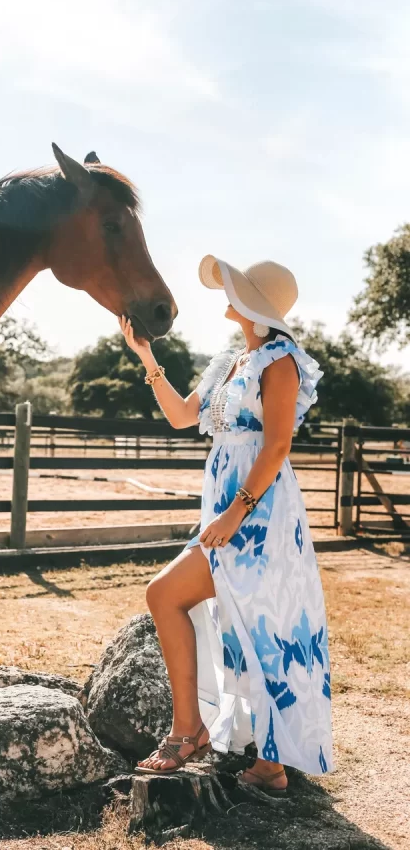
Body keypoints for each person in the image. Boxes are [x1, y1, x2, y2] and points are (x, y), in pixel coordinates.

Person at [118, 255, 333, 795]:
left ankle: (200, 734)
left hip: (258, 514)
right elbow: (181, 417)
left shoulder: (280, 361)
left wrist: (235, 512)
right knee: (238, 620)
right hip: (227, 509)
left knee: (205, 606)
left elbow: (278, 445)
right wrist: (148, 359)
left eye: (237, 289)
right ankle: (253, 758)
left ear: (254, 303)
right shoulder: (233, 361)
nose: (227, 295)